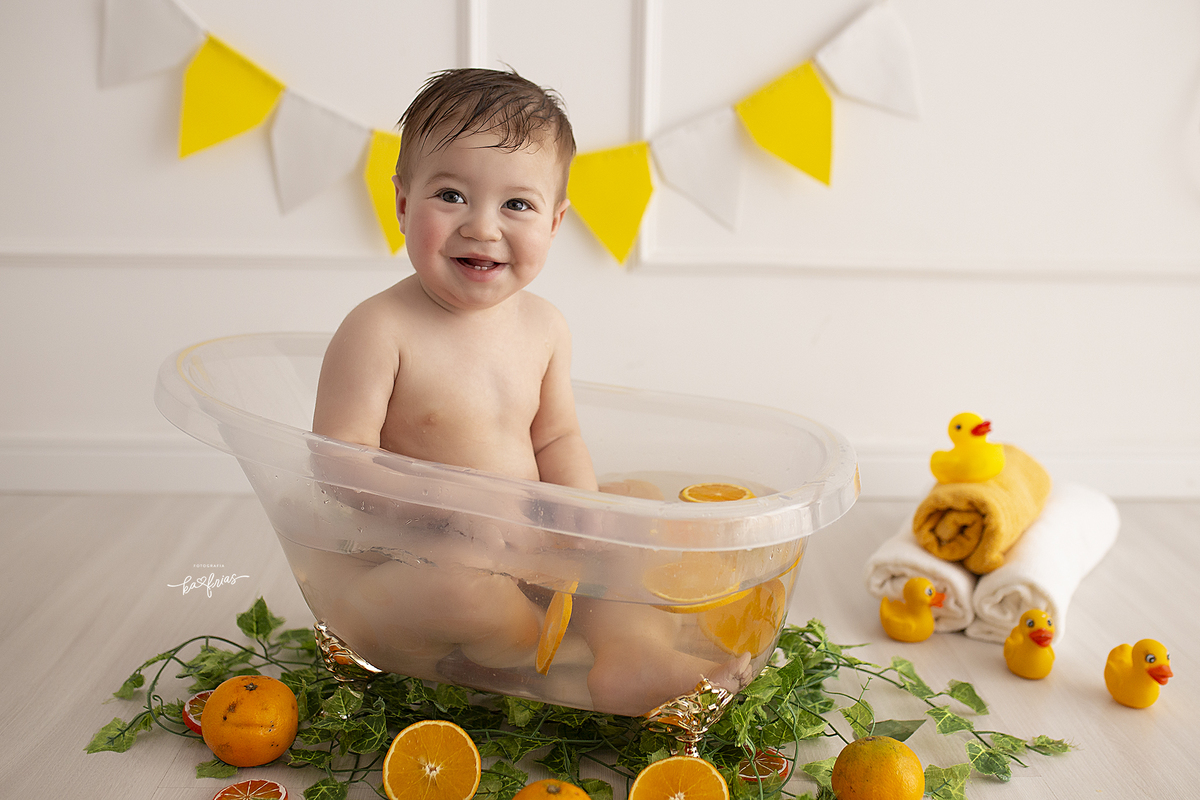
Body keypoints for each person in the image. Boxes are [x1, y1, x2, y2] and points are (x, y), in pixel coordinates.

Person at [312, 68, 751, 714]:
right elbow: (336, 460)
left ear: (555, 221)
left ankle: (631, 655)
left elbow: (555, 436)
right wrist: (450, 502)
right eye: (452, 195)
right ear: (403, 203)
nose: (482, 227)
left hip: (527, 548)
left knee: (630, 509)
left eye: (516, 205)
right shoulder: (379, 330)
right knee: (463, 588)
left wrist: (581, 513)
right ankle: (544, 655)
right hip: (418, 559)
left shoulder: (544, 327)